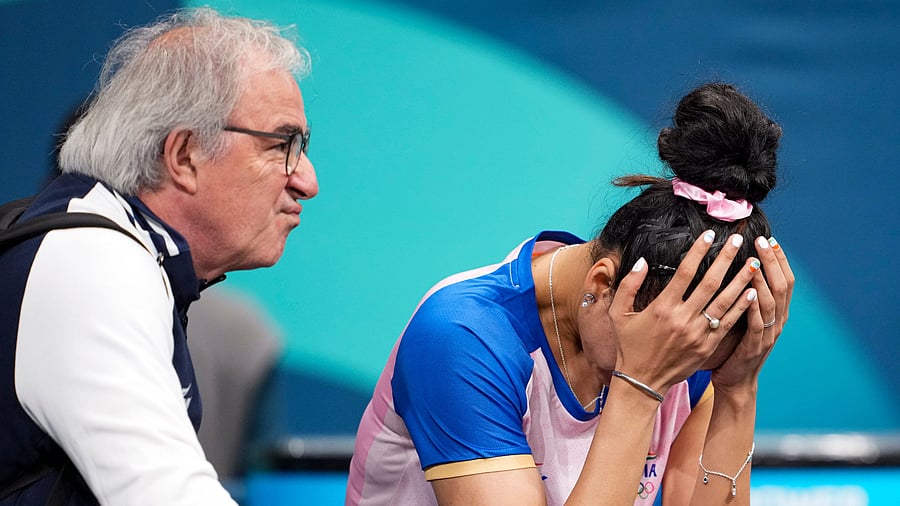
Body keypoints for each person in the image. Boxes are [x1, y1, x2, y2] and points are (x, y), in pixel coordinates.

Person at [347, 82, 794, 505]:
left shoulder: (689, 332)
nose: (677, 375)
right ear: (602, 285)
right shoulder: (461, 337)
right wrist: (639, 386)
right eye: (662, 355)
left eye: (693, 364)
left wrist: (737, 388)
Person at [0, 7, 317, 505]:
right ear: (184, 156)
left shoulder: (113, 250)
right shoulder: (94, 264)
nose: (307, 181)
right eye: (283, 145)